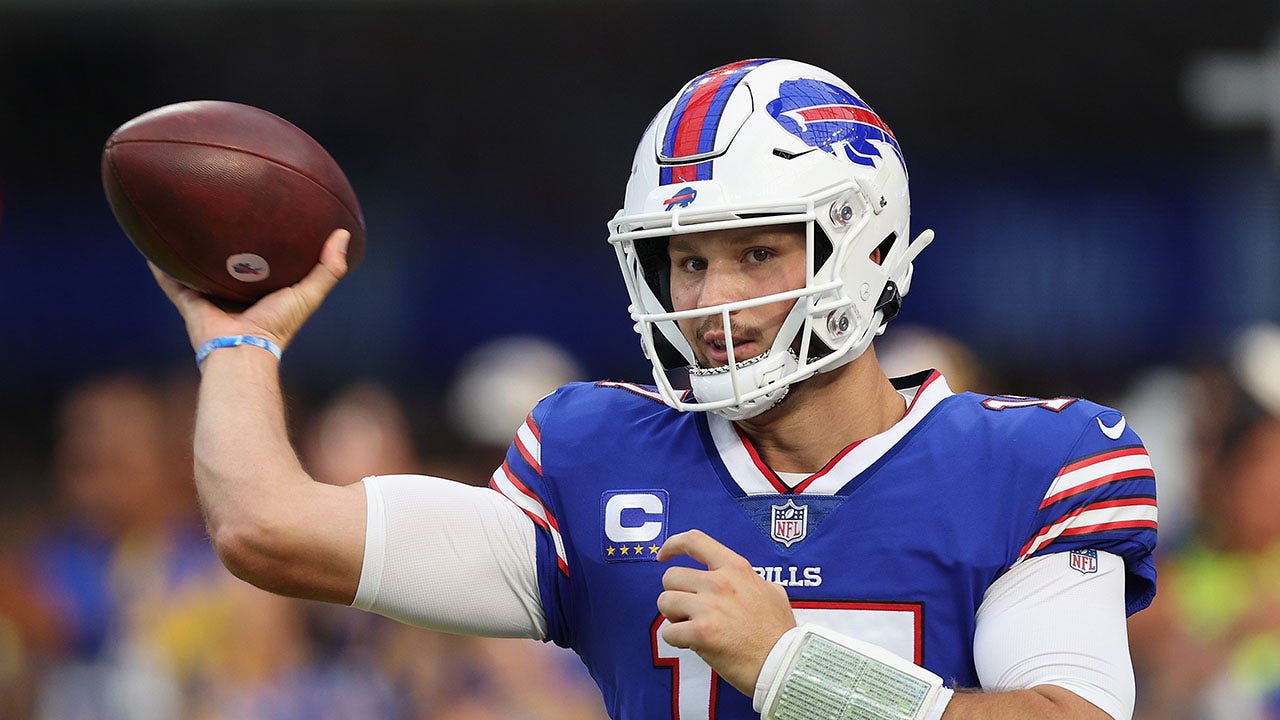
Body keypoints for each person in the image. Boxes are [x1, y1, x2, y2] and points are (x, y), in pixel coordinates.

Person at [147, 58, 1158, 720]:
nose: (708, 299)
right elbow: (264, 529)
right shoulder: (596, 456)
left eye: (757, 253)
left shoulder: (1033, 460)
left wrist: (795, 670)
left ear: (868, 248)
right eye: (684, 263)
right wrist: (238, 348)